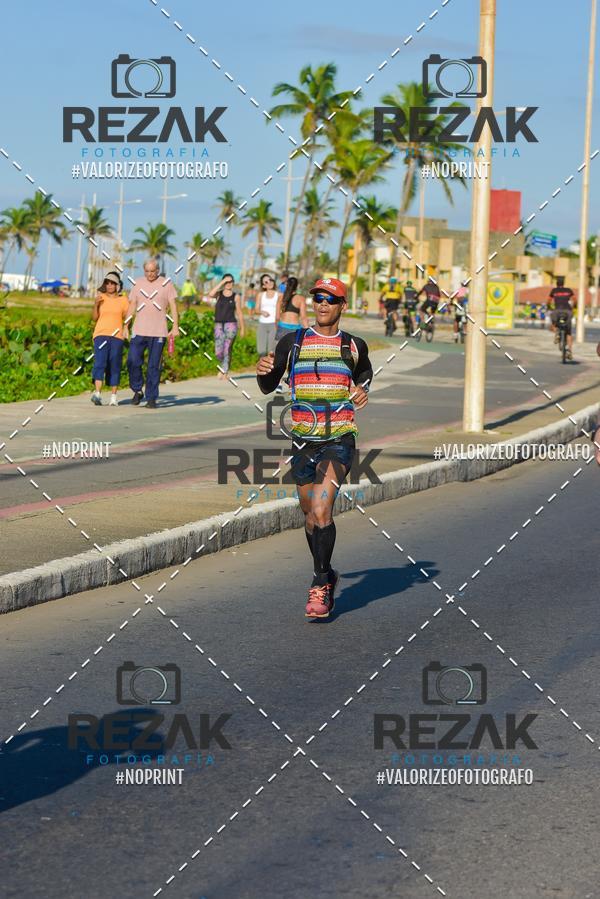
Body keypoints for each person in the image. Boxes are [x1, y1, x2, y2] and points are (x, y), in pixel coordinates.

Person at [256, 276, 373, 620]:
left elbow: (364, 373)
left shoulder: (353, 345)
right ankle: (328, 572)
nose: (322, 304)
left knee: (322, 510)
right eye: (318, 298)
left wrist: (363, 390)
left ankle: (320, 584)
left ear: (342, 306)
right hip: (303, 440)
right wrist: (262, 372)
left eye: (330, 299)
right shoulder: (292, 342)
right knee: (309, 515)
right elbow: (267, 385)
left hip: (339, 438)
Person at [126, 258, 179, 409]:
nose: (150, 274)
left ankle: (151, 398)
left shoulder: (166, 284)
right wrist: (125, 325)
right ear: (144, 271)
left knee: (153, 366)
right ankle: (137, 389)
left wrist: (175, 326)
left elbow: (173, 306)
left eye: (153, 271)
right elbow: (132, 306)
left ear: (157, 270)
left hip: (158, 332)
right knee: (132, 361)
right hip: (139, 331)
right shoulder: (137, 283)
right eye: (147, 271)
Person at [90, 272, 129, 406]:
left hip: (117, 336)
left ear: (118, 285)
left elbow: (127, 316)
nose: (110, 285)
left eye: (113, 283)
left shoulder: (123, 299)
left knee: (114, 364)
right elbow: (94, 318)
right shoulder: (100, 297)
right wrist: (95, 304)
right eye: (107, 282)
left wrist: (126, 327)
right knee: (100, 363)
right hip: (100, 334)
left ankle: (113, 397)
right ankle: (97, 394)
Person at [208, 274, 245, 378]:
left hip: (231, 324)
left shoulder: (236, 296)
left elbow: (239, 312)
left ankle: (224, 371)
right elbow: (210, 294)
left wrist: (242, 328)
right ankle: (224, 366)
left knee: (227, 348)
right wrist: (222, 281)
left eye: (231, 281)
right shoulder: (219, 294)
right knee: (218, 351)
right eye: (227, 282)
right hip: (218, 324)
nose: (229, 284)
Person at [275, 276, 308, 342]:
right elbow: (303, 318)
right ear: (297, 286)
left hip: (282, 328)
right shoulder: (301, 298)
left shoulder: (281, 297)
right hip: (295, 330)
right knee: (293, 352)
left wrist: (277, 328)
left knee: (279, 352)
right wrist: (308, 331)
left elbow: (277, 317)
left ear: (286, 285)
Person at [549, 276, 575, 359]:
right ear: (563, 283)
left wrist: (548, 307)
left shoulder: (554, 291)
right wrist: (574, 307)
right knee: (569, 332)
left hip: (557, 311)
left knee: (553, 322)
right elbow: (574, 299)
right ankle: (570, 350)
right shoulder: (568, 290)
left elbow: (548, 301)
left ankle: (557, 333)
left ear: (557, 283)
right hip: (567, 311)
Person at [254, 274, 279, 356]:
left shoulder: (279, 295)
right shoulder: (261, 295)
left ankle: (270, 368)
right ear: (264, 285)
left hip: (274, 324)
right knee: (261, 350)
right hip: (262, 323)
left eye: (270, 280)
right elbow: (256, 309)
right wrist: (262, 312)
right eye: (266, 282)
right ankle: (262, 367)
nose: (269, 282)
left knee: (271, 350)